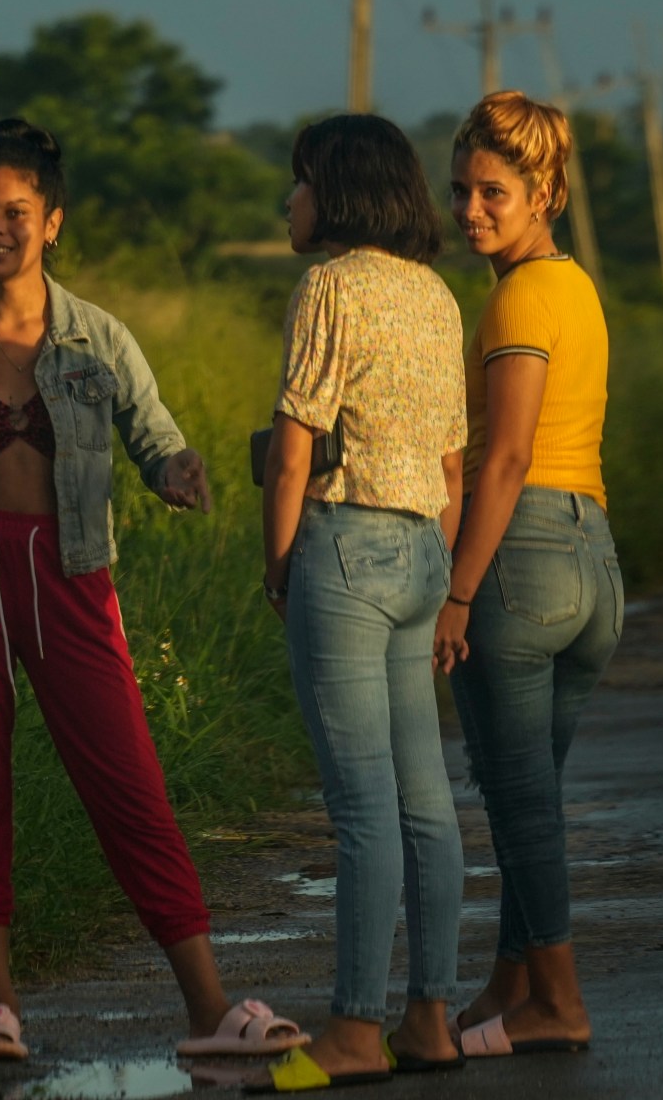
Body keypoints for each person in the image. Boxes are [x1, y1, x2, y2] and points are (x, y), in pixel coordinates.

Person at [0, 119, 304, 1064]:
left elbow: (156, 438)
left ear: (53, 222)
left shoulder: (99, 338)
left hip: (69, 574)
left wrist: (177, 471)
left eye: (15, 213)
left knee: (129, 784)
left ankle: (206, 1009)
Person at [254, 114, 467, 1093]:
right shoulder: (436, 296)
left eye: (297, 184)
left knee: (360, 808)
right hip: (424, 547)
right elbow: (453, 468)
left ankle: (350, 1030)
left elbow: (294, 442)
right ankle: (429, 1018)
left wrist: (280, 559)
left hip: (345, 548)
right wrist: (444, 568)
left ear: (333, 193)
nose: (287, 201)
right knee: (424, 800)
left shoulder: (327, 288)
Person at [439, 93, 621, 1060]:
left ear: (545, 191)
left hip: (525, 555)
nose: (472, 210)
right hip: (593, 556)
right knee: (530, 796)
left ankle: (558, 1000)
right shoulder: (576, 287)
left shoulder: (516, 299)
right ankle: (507, 991)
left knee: (518, 800)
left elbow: (502, 461)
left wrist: (458, 592)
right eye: (462, 190)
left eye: (494, 192)